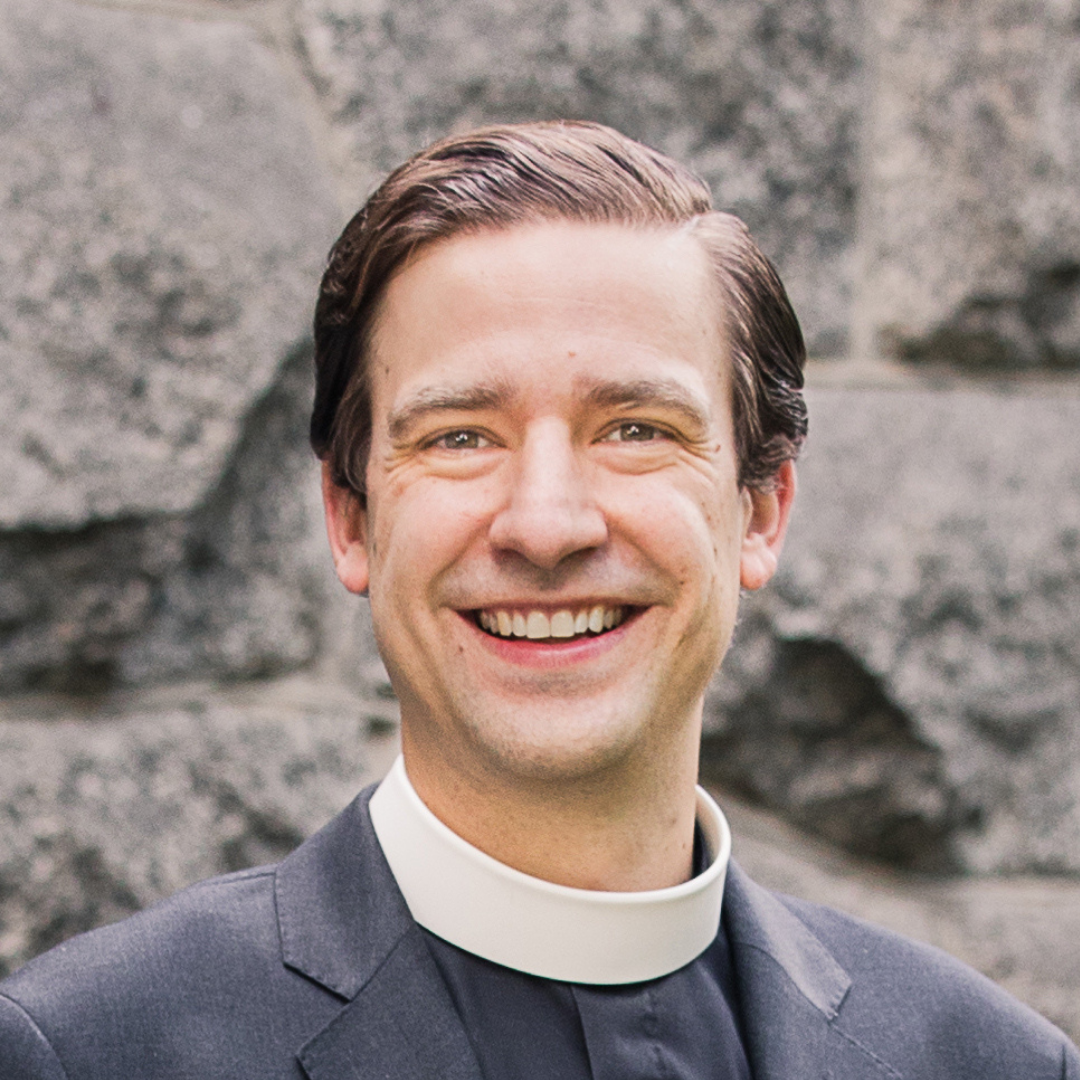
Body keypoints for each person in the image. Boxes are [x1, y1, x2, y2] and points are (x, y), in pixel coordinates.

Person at [0, 120, 1076, 1080]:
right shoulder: (90, 1049)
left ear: (759, 510)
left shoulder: (992, 1062)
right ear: (351, 517)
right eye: (460, 436)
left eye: (636, 429)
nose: (548, 523)